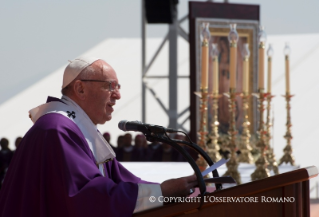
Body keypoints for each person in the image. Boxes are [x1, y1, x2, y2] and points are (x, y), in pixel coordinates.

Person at [0, 57, 197, 217]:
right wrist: (162, 192)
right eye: (110, 86)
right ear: (80, 89)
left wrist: (167, 190)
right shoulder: (58, 130)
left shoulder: (79, 129)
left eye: (118, 86)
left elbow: (119, 180)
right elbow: (88, 197)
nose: (118, 95)